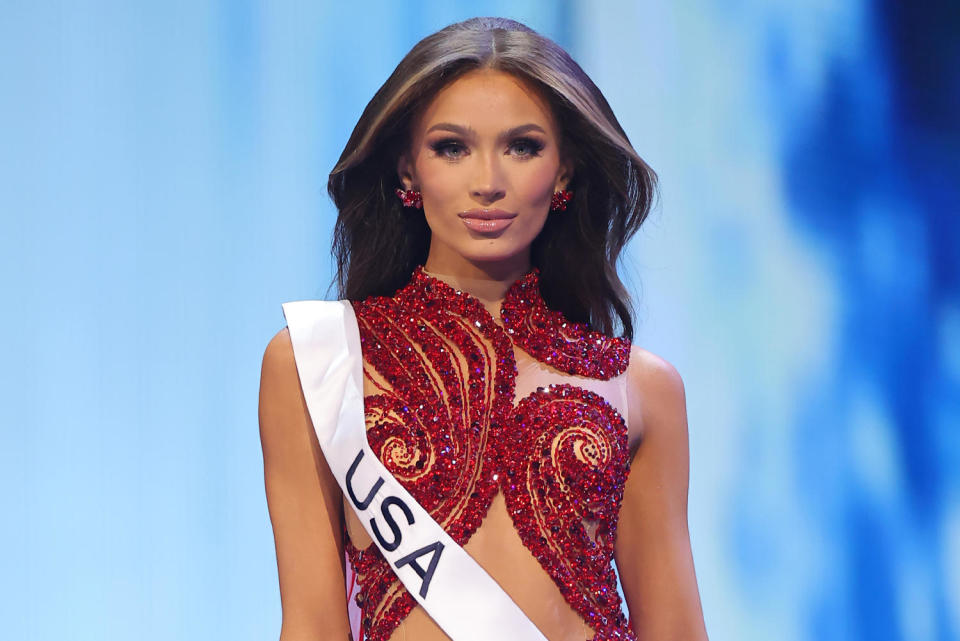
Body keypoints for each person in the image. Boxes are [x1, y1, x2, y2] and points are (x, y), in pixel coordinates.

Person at [258, 16, 708, 641]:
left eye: (522, 146)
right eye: (452, 147)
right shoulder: (318, 362)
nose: (488, 183)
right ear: (407, 171)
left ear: (566, 173)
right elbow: (310, 625)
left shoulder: (641, 387)